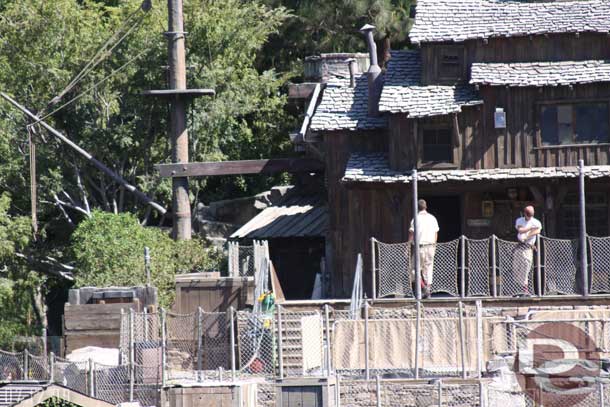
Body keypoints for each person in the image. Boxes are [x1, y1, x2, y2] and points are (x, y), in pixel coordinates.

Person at [409, 199, 439, 299]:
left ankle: (424, 288)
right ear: (426, 207)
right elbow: (436, 233)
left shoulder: (416, 218)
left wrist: (407, 246)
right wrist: (434, 245)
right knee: (428, 269)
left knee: (414, 270)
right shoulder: (433, 218)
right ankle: (428, 290)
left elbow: (412, 234)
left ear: (417, 208)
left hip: (420, 247)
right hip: (431, 246)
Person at [513, 205, 542, 296]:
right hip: (519, 248)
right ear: (524, 214)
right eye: (528, 215)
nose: (529, 217)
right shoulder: (519, 220)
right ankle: (517, 289)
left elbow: (538, 231)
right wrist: (530, 228)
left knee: (526, 268)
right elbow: (520, 230)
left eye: (531, 215)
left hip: (528, 248)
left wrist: (527, 236)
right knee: (516, 268)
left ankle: (525, 291)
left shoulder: (536, 222)